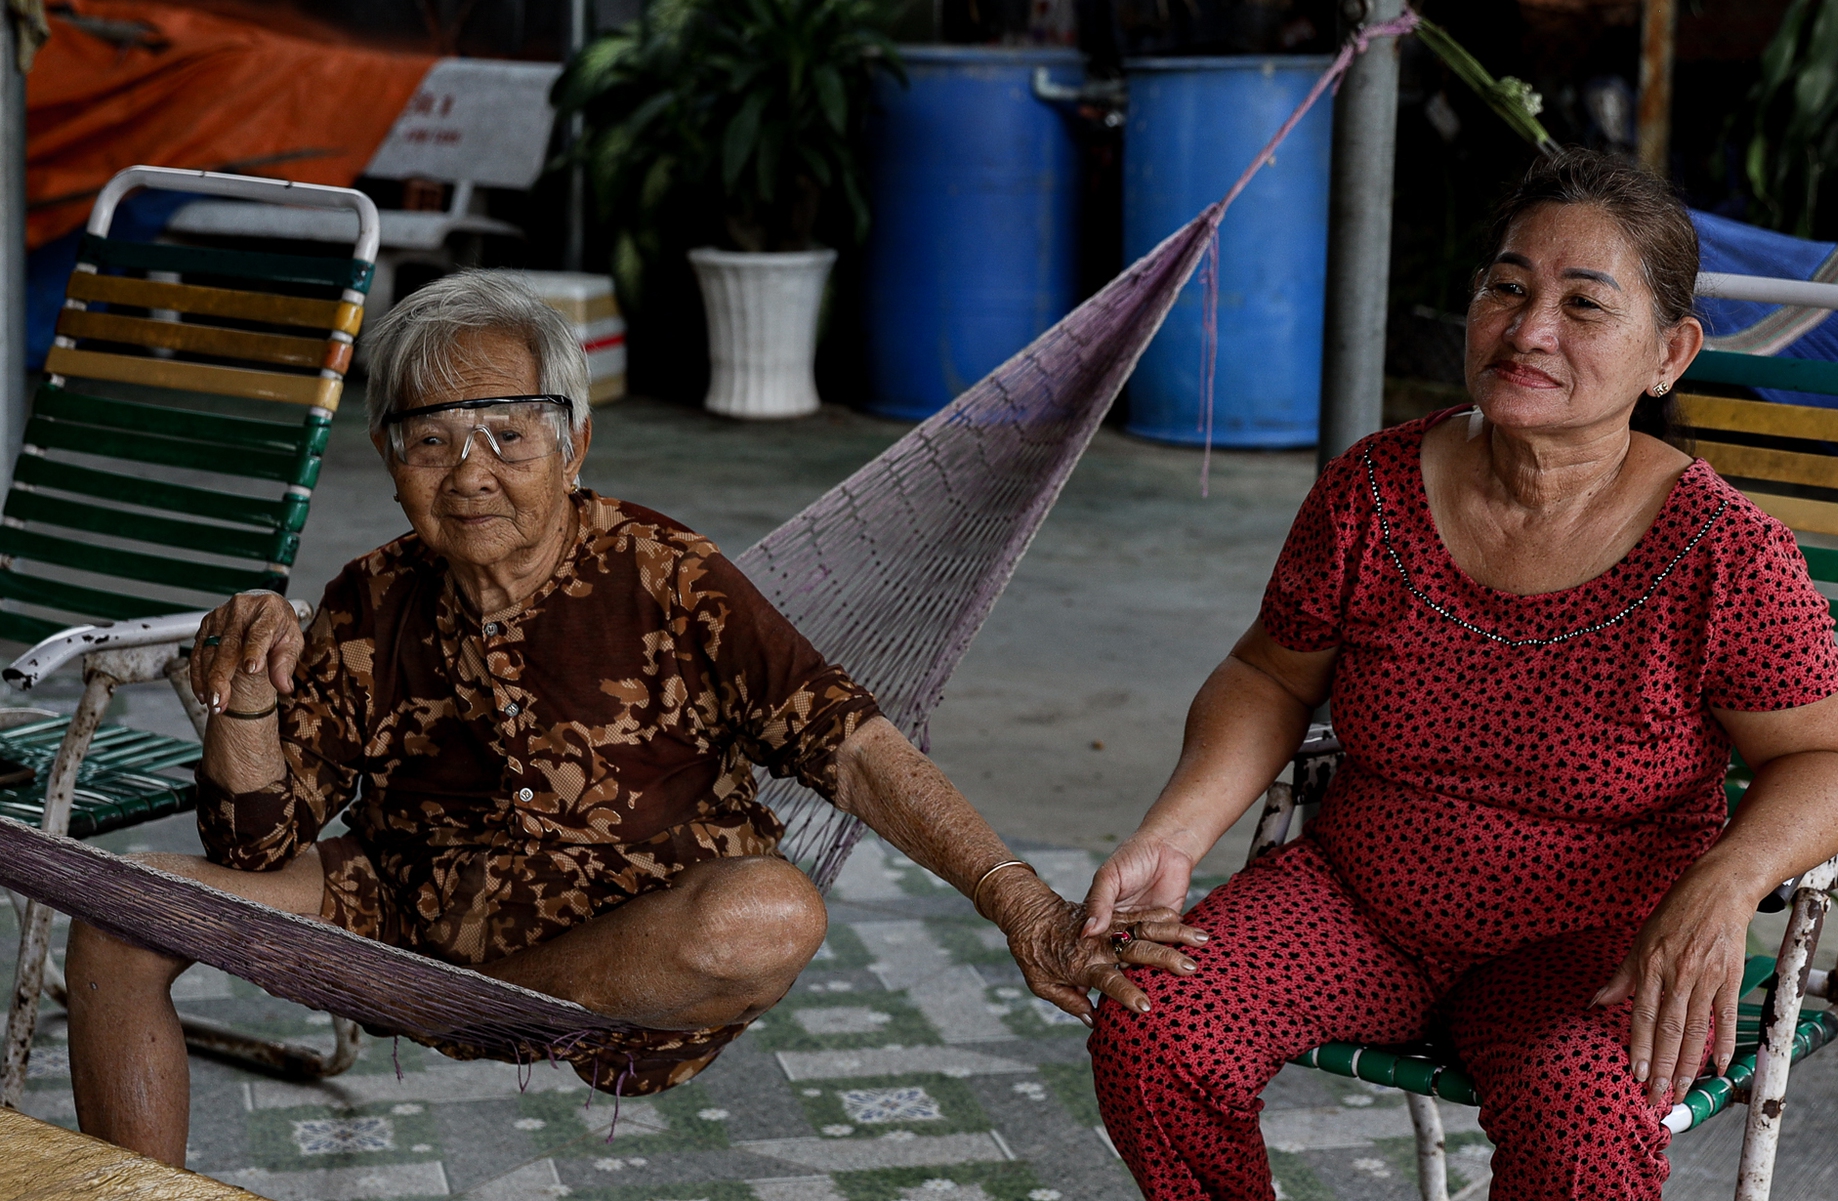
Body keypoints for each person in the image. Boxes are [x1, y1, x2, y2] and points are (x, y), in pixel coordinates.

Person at [65, 270, 1195, 1167]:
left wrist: (1020, 904)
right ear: (389, 461)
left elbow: (850, 748)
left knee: (769, 912)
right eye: (430, 439)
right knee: (118, 918)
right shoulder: (372, 597)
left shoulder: (665, 574)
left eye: (509, 433)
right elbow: (258, 847)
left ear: (574, 444)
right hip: (402, 910)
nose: (470, 473)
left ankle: (508, 1003)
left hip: (634, 940)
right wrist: (246, 693)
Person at [1080, 151, 1838, 1201]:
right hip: (1357, 907)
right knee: (1153, 1024)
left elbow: (1834, 757)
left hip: (1588, 945)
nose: (1527, 329)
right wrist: (1174, 831)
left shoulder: (1722, 552)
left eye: (1582, 305)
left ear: (1668, 354)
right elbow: (1269, 677)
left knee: (1586, 1125)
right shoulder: (1369, 490)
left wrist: (1726, 884)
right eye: (1505, 287)